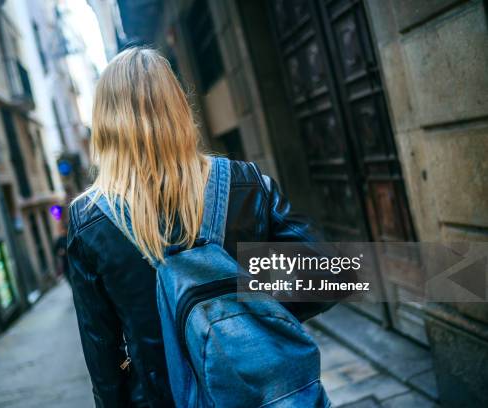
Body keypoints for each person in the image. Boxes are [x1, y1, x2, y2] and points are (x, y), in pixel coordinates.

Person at [67, 47, 332, 408]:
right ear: (178, 107)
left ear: (106, 125)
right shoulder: (244, 182)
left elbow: (104, 362)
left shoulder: (89, 222)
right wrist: (251, 313)